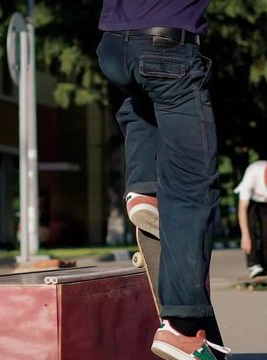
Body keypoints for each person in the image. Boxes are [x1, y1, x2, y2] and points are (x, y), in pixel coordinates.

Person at [97, 1, 231, 359]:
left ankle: (142, 189)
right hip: (168, 48)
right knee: (191, 186)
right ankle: (182, 329)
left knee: (142, 95)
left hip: (113, 47)